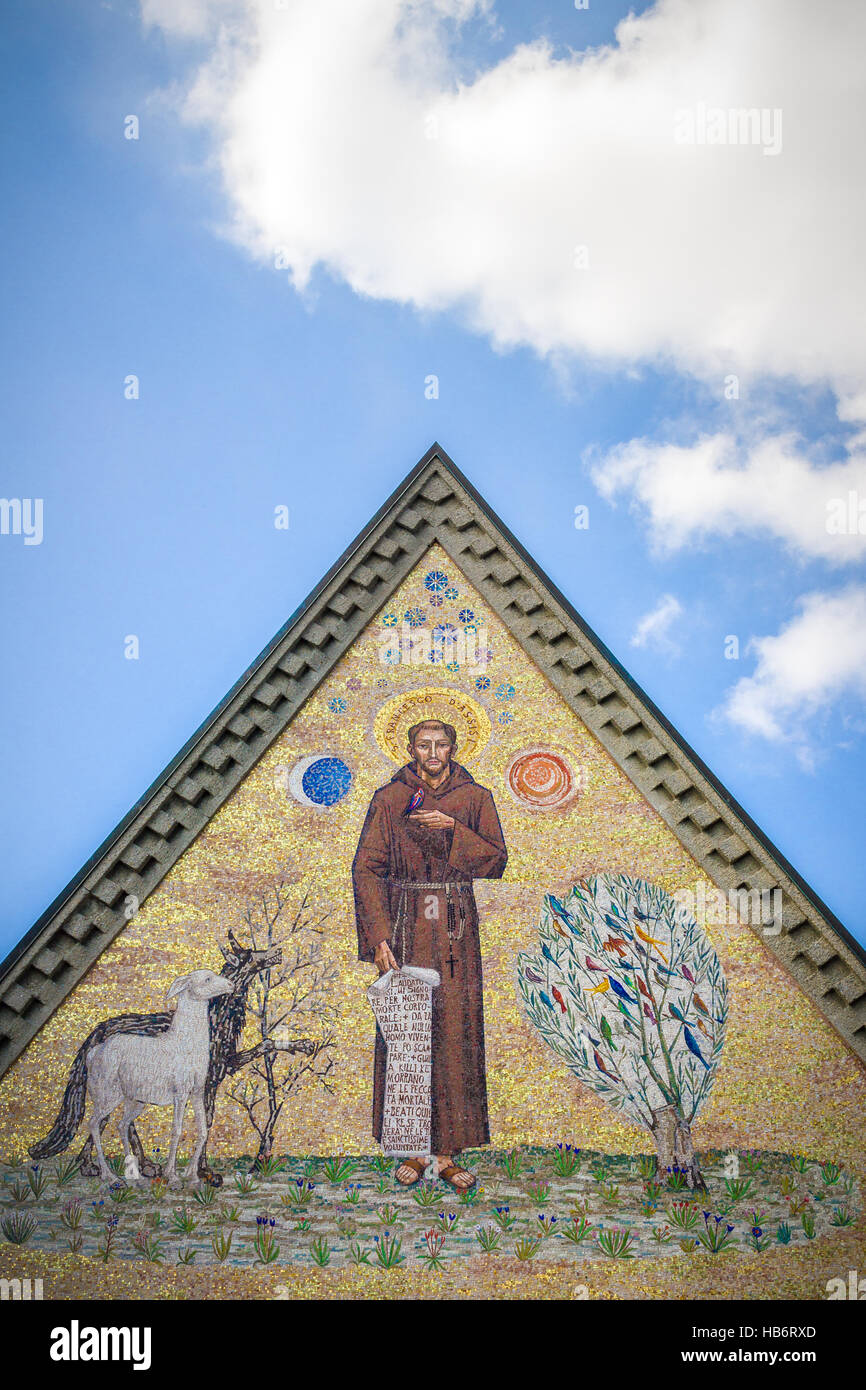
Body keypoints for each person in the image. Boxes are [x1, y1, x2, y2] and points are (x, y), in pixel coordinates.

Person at [352, 718, 507, 1192]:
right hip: (405, 925)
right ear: (412, 748)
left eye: (441, 745)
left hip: (456, 928)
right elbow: (366, 868)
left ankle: (448, 1154)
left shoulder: (475, 796)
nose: (433, 753)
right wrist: (378, 938)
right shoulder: (390, 798)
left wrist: (452, 830)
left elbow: (496, 860)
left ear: (454, 748)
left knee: (455, 1032)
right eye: (424, 745)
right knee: (408, 1032)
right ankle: (414, 1152)